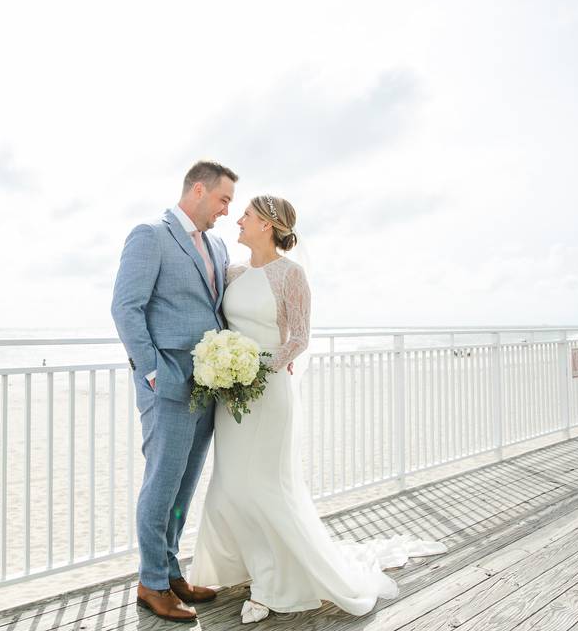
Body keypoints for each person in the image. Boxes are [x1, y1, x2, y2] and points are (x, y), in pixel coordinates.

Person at [188, 195, 448, 623]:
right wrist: (223, 365)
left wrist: (256, 369)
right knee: (230, 484)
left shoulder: (291, 275)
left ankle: (274, 585)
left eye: (247, 215)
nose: (239, 220)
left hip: (268, 393)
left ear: (268, 225)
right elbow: (223, 328)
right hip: (232, 397)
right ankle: (238, 567)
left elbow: (299, 338)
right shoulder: (234, 272)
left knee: (264, 486)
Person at [111, 160, 238, 623]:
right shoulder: (150, 235)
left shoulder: (219, 245)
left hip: (208, 383)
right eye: (224, 199)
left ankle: (171, 571)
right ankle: (151, 583)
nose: (227, 210)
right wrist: (150, 371)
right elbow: (126, 307)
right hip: (166, 382)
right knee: (161, 484)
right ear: (199, 191)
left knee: (185, 486)